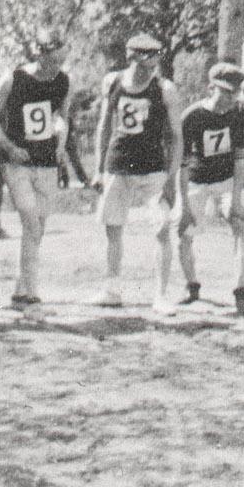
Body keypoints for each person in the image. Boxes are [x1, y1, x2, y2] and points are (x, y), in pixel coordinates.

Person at [92, 34, 185, 310]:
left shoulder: (165, 89)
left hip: (152, 166)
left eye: (154, 58)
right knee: (113, 227)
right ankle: (111, 290)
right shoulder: (113, 82)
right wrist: (99, 169)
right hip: (118, 163)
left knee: (161, 228)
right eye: (144, 58)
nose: (150, 64)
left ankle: (161, 295)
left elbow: (176, 136)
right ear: (131, 56)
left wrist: (171, 176)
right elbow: (104, 126)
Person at [0, 30, 75, 307]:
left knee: (37, 227)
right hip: (19, 162)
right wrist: (9, 147)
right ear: (40, 53)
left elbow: (61, 117)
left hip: (47, 162)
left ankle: (20, 289)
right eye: (52, 59)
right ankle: (33, 294)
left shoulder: (64, 81)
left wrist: (61, 140)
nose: (56, 66)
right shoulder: (14, 78)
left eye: (61, 59)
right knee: (30, 220)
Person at [176, 63, 244, 313]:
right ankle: (191, 285)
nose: (229, 99)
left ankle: (240, 291)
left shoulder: (241, 111)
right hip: (197, 178)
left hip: (226, 179)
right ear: (210, 88)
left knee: (240, 223)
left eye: (233, 94)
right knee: (184, 232)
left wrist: (236, 199)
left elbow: (240, 157)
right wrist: (183, 203)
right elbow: (182, 164)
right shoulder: (192, 117)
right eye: (224, 92)